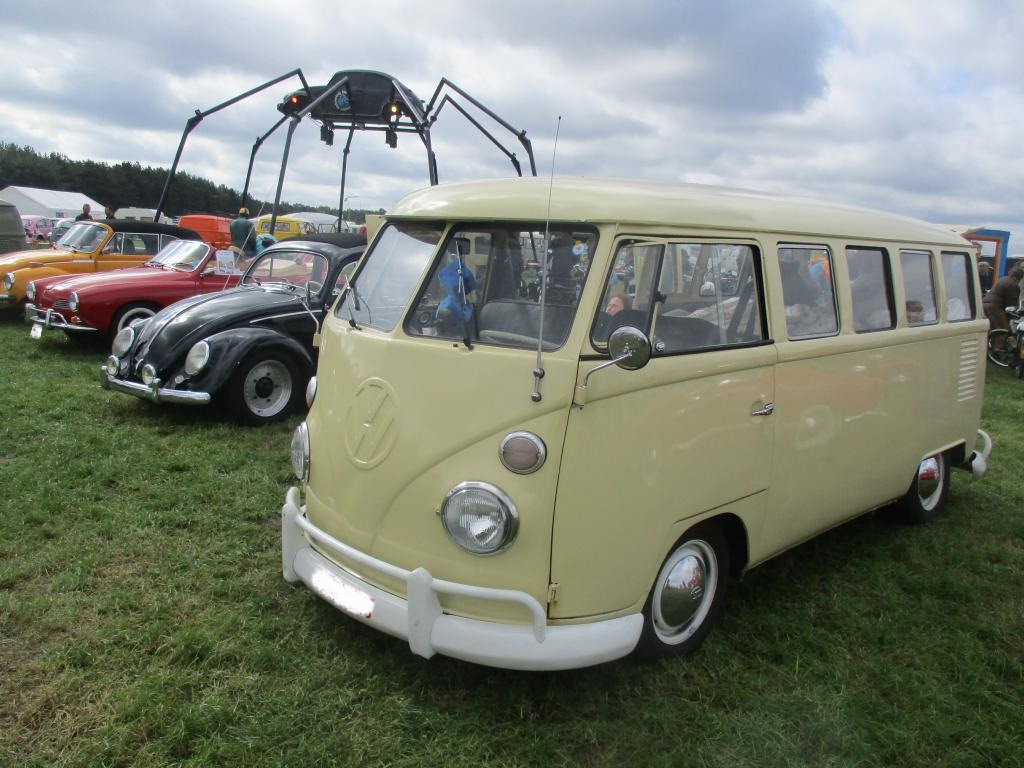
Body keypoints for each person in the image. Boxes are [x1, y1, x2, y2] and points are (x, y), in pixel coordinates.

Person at [982, 265, 1024, 331]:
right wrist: (1017, 311)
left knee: (991, 329)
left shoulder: (1004, 279)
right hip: (995, 307)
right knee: (1003, 330)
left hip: (985, 304)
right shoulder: (1013, 284)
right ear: (1019, 276)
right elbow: (1011, 304)